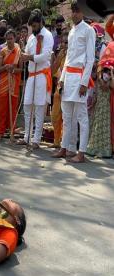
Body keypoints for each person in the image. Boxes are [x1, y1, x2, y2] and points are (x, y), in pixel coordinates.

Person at [52, 2, 95, 163]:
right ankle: (64, 148)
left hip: (79, 78)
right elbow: (68, 58)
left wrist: (84, 83)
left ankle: (81, 152)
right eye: (73, 11)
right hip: (68, 77)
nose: (74, 14)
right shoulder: (71, 32)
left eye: (77, 11)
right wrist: (61, 80)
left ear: (83, 13)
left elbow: (90, 59)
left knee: (82, 118)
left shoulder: (88, 30)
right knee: (67, 116)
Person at [18, 9, 54, 150]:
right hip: (31, 75)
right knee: (27, 106)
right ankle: (26, 136)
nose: (32, 29)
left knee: (39, 108)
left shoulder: (48, 35)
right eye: (31, 26)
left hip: (42, 74)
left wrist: (29, 57)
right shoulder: (31, 37)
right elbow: (27, 53)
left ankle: (36, 140)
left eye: (34, 26)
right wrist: (23, 53)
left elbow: (45, 56)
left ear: (39, 23)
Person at [0, 30, 22, 140]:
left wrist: (13, 70)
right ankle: (0, 132)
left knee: (13, 109)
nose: (9, 41)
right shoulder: (2, 51)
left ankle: (12, 131)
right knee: (2, 108)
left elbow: (20, 69)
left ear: (15, 39)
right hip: (3, 83)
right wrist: (5, 67)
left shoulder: (18, 51)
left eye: (11, 38)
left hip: (14, 82)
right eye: (7, 39)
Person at [87, 63, 114, 157]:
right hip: (99, 107)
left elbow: (108, 87)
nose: (107, 74)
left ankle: (104, 151)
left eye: (108, 72)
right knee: (97, 127)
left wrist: (111, 74)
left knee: (104, 129)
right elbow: (96, 96)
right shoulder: (99, 81)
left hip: (106, 108)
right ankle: (94, 149)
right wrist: (92, 105)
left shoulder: (109, 82)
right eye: (105, 72)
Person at [50, 32, 68, 148]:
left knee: (67, 119)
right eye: (63, 42)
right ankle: (57, 141)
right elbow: (52, 71)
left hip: (69, 90)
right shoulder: (61, 54)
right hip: (59, 90)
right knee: (55, 116)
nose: (64, 45)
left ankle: (65, 144)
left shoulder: (73, 55)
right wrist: (58, 58)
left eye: (67, 42)